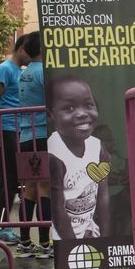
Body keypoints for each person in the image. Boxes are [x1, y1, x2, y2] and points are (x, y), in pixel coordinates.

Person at [46, 76, 111, 240]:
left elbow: (103, 196)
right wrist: (73, 247)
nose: (82, 114)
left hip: (90, 233)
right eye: (69, 108)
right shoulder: (54, 155)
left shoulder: (97, 147)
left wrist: (105, 237)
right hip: (66, 238)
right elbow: (58, 211)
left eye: (88, 105)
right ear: (50, 115)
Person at [0, 34, 28, 244]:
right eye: (30, 52)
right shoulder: (5, 69)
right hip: (6, 128)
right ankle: (3, 227)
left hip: (17, 128)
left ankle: (4, 226)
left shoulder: (19, 71)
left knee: (13, 177)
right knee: (9, 178)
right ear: (21, 49)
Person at [16, 31, 52, 258]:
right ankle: (46, 244)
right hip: (41, 134)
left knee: (29, 188)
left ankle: (25, 242)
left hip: (26, 135)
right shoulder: (44, 73)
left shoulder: (25, 73)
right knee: (44, 188)